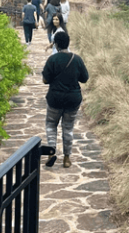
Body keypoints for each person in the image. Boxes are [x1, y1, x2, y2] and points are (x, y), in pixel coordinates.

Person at [42, 32, 89, 168]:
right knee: (68, 128)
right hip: (73, 99)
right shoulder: (77, 59)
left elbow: (45, 80)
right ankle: (67, 159)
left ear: (55, 44)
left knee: (51, 125)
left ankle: (51, 153)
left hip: (55, 98)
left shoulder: (52, 60)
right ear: (68, 43)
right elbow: (84, 78)